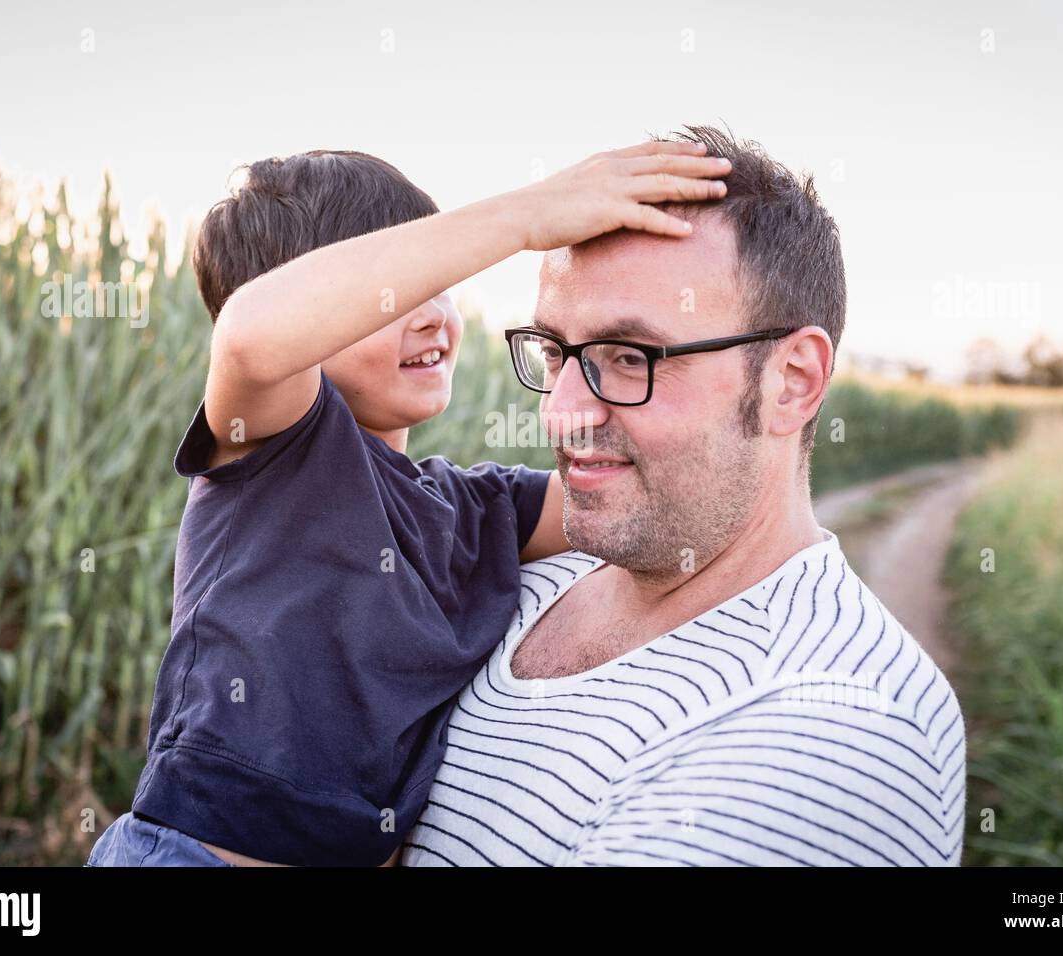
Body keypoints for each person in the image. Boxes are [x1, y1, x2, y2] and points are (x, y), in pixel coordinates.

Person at [86, 140, 733, 866]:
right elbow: (251, 338)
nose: (429, 316)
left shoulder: (474, 508)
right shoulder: (272, 451)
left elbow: (634, 496)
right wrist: (525, 217)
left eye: (439, 288)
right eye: (388, 296)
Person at [401, 125, 967, 866]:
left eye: (629, 357)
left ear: (792, 380)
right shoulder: (513, 577)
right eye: (553, 352)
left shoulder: (841, 728)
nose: (562, 411)